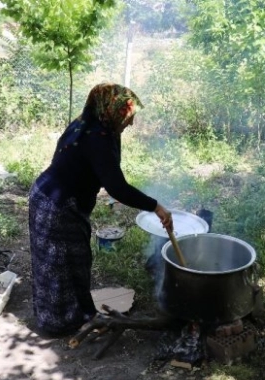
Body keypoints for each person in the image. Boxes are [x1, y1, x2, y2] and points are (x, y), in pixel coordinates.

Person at [28, 83, 173, 337]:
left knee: (73, 261)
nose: (131, 123)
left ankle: (76, 316)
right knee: (60, 264)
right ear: (111, 112)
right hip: (56, 206)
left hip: (49, 196)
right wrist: (155, 206)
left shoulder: (89, 124)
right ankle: (60, 323)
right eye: (128, 117)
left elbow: (104, 171)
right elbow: (117, 188)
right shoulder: (97, 139)